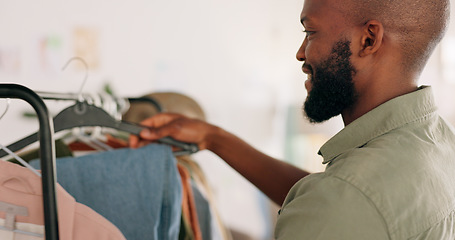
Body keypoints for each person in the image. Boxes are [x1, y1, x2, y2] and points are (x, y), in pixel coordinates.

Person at [130, 0, 455, 238]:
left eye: (310, 32)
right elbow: (325, 193)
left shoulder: (346, 200)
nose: (301, 53)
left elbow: (342, 199)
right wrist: (213, 138)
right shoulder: (437, 141)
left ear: (368, 40)